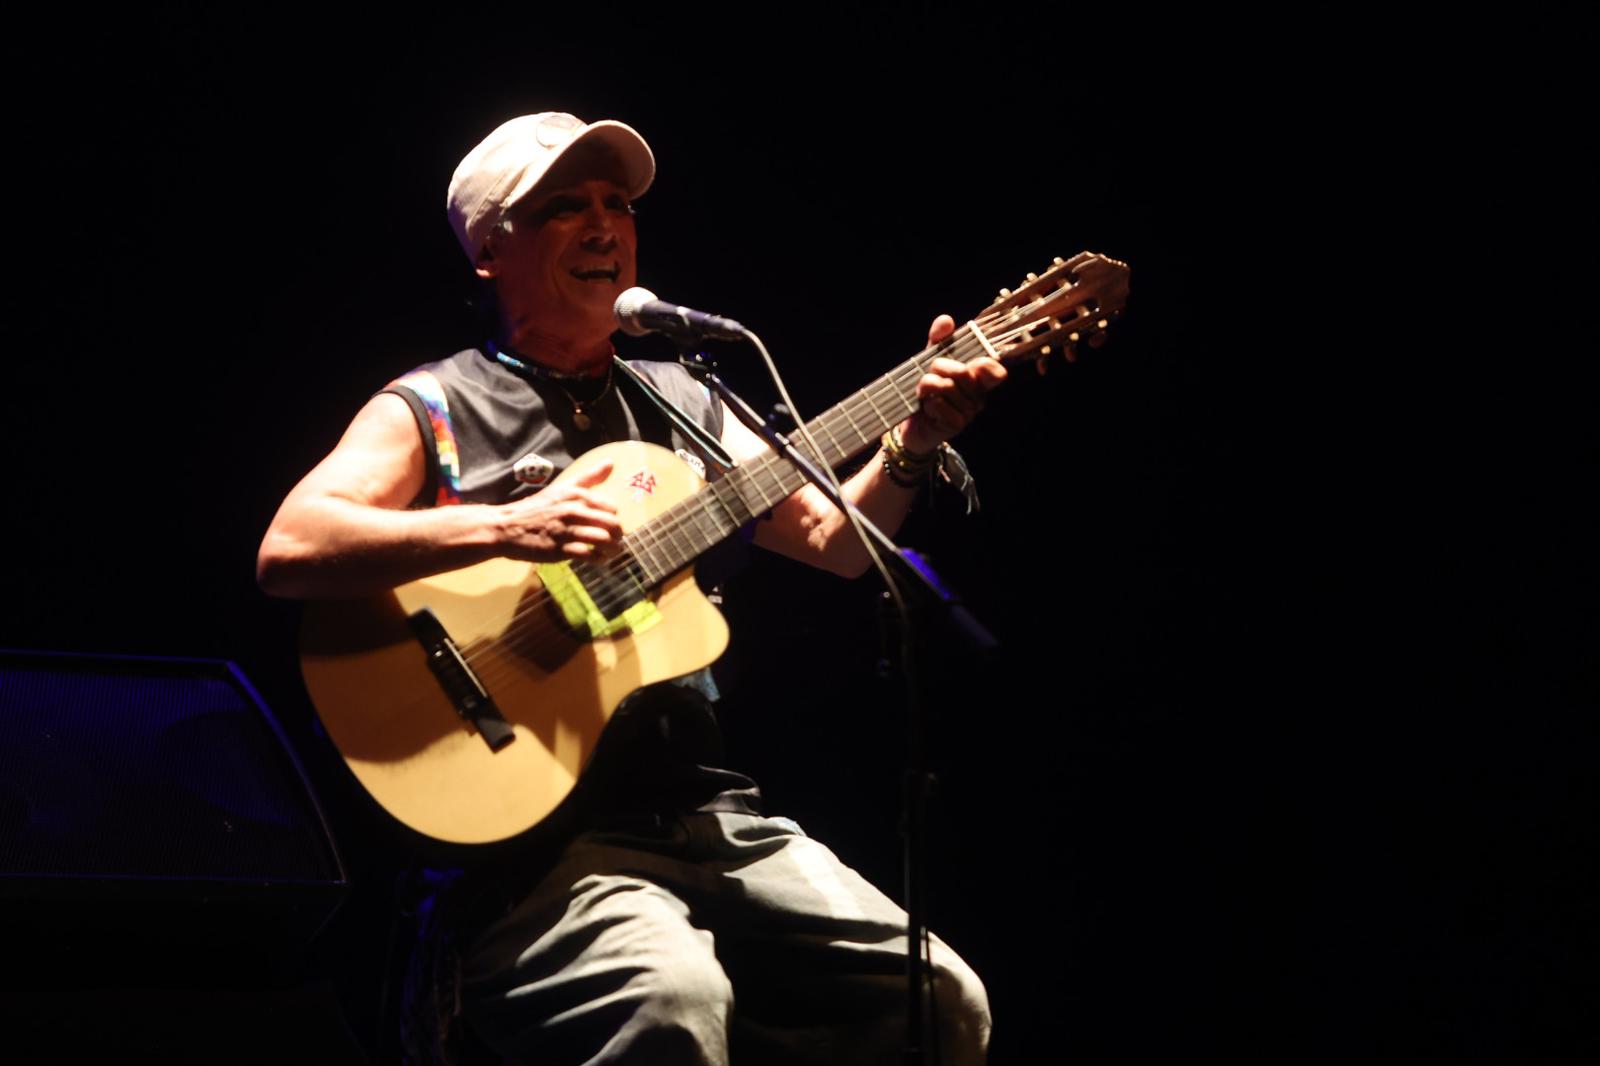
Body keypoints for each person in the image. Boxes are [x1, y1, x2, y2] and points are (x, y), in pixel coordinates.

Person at [258, 112, 1004, 1065]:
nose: (605, 224)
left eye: (617, 203)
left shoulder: (684, 400)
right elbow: (292, 545)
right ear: (492, 250)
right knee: (671, 1005)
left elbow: (833, 542)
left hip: (707, 809)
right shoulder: (434, 404)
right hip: (538, 845)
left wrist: (913, 444)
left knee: (939, 1001)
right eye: (566, 207)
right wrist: (505, 525)